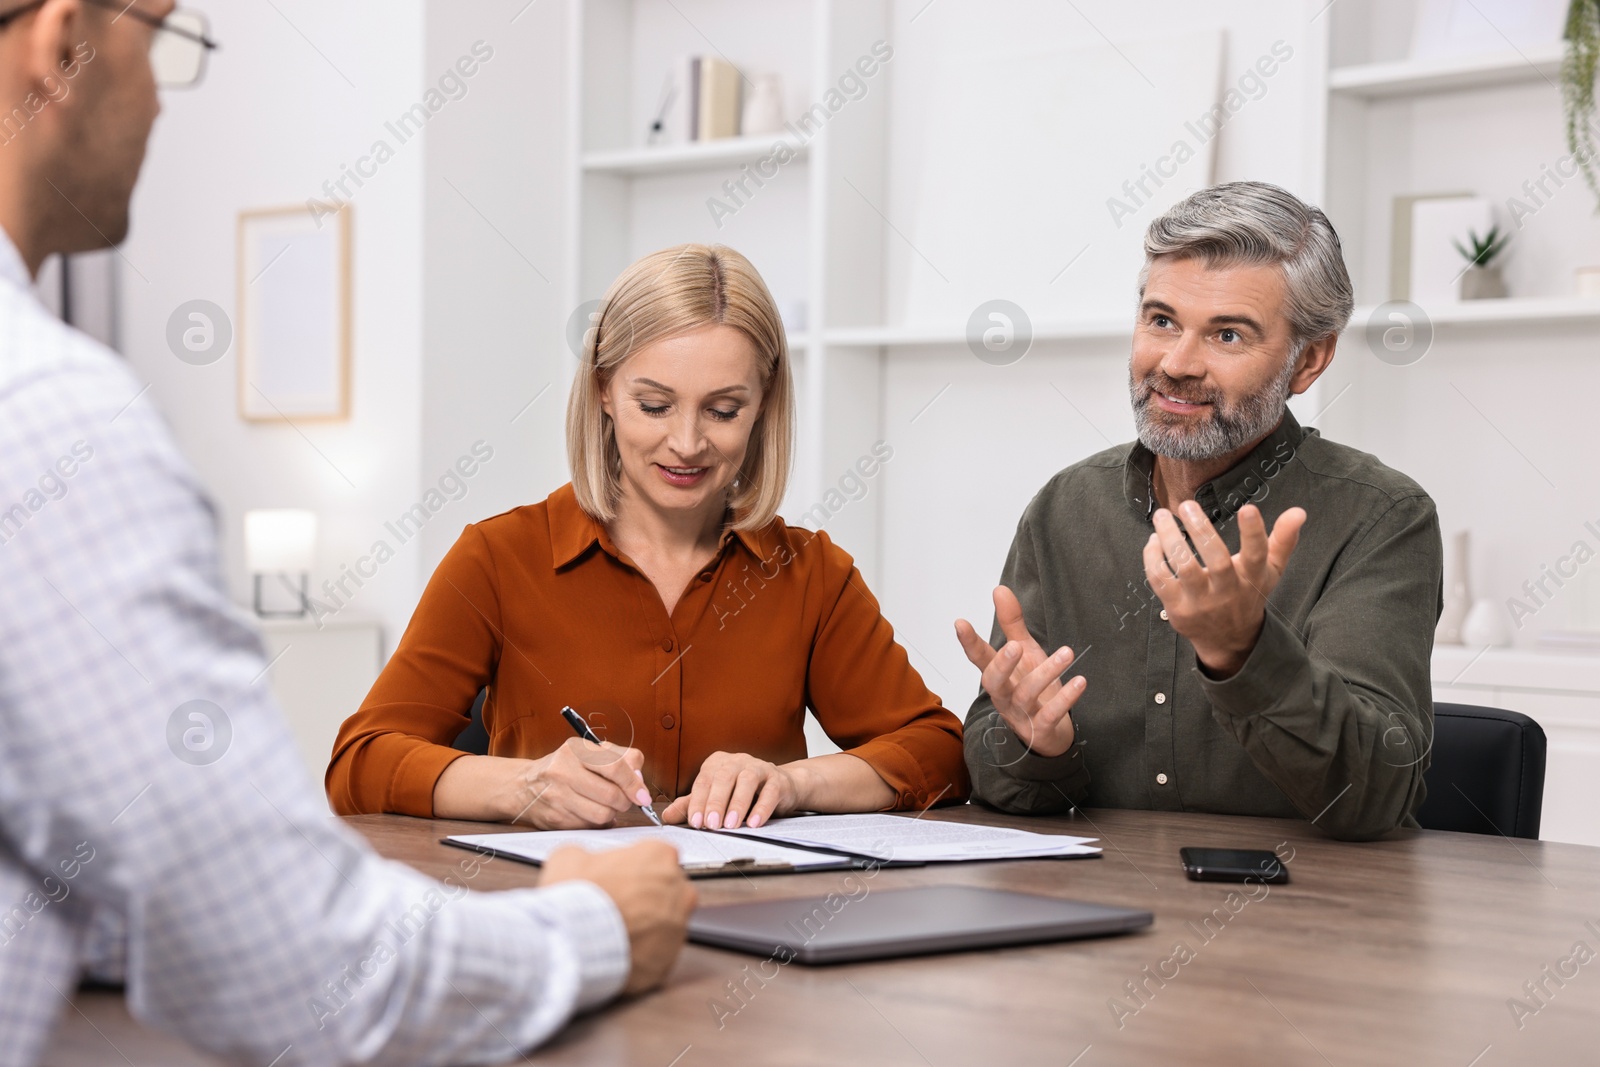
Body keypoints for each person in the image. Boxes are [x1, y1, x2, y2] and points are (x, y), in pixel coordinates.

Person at [0, 3, 694, 1065]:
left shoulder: (810, 565)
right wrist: (595, 921)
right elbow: (304, 968)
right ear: (61, 44)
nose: (155, 99)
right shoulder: (47, 414)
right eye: (163, 41)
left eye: (726, 409)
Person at [328, 243, 969, 832]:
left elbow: (939, 754)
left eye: (723, 411)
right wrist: (523, 784)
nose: (687, 443)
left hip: (758, 923)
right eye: (655, 406)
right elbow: (359, 764)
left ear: (764, 404)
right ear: (605, 391)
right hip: (552, 918)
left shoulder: (809, 573)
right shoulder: (498, 559)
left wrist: (791, 783)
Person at [956, 181, 1442, 842]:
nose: (1176, 364)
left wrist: (1243, 650)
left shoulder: (1382, 517)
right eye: (1161, 321)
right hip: (1099, 920)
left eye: (1229, 334)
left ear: (1311, 359)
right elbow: (995, 759)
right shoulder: (1064, 507)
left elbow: (1376, 792)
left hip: (1309, 925)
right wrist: (1036, 746)